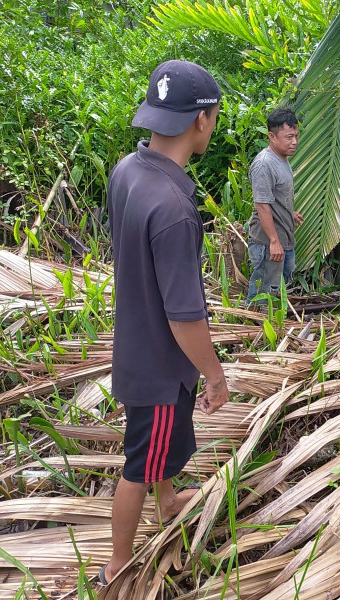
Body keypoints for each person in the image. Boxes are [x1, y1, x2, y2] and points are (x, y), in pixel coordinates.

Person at [101, 59, 231, 586]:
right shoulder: (176, 208)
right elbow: (185, 318)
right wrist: (216, 374)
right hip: (159, 367)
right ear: (201, 119)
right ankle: (117, 562)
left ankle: (168, 496)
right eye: (215, 114)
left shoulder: (129, 170)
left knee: (162, 447)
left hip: (136, 342)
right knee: (139, 462)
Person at [246, 107, 303, 305]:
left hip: (284, 237)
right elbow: (261, 205)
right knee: (263, 291)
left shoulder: (282, 159)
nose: (294, 142)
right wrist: (273, 241)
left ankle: (271, 326)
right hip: (268, 242)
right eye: (288, 137)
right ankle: (253, 326)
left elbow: (273, 198)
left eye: (296, 135)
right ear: (271, 136)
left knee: (278, 286)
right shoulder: (264, 164)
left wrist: (289, 213)